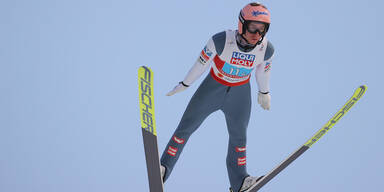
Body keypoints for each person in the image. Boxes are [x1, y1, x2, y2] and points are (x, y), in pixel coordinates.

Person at [160, 2, 274, 192]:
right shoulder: (221, 40)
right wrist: (185, 84)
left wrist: (264, 92)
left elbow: (263, 73)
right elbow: (200, 65)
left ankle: (240, 182)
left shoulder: (266, 49)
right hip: (213, 88)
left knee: (239, 138)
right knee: (185, 127)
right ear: (242, 24)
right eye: (252, 27)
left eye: (262, 30)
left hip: (240, 93)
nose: (256, 34)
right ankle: (164, 167)